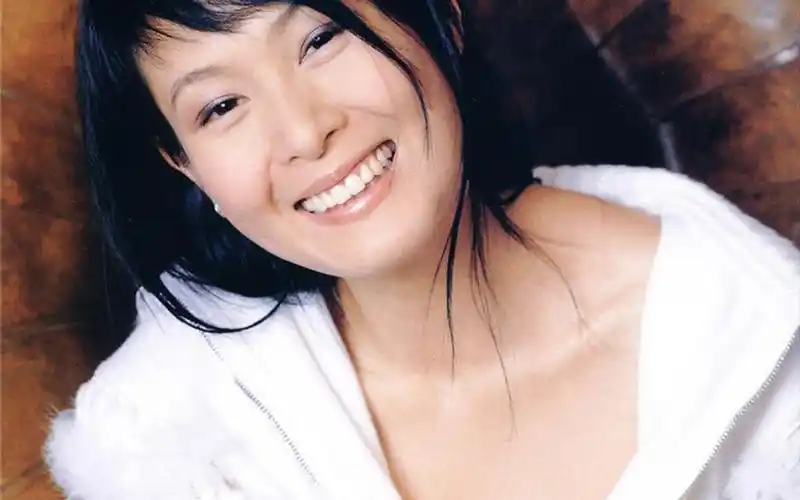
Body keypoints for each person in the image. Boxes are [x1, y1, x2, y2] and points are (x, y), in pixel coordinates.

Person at [45, 0, 799, 498]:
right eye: (221, 106)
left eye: (320, 38)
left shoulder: (753, 342)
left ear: (441, 16)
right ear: (185, 165)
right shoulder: (170, 431)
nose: (305, 131)